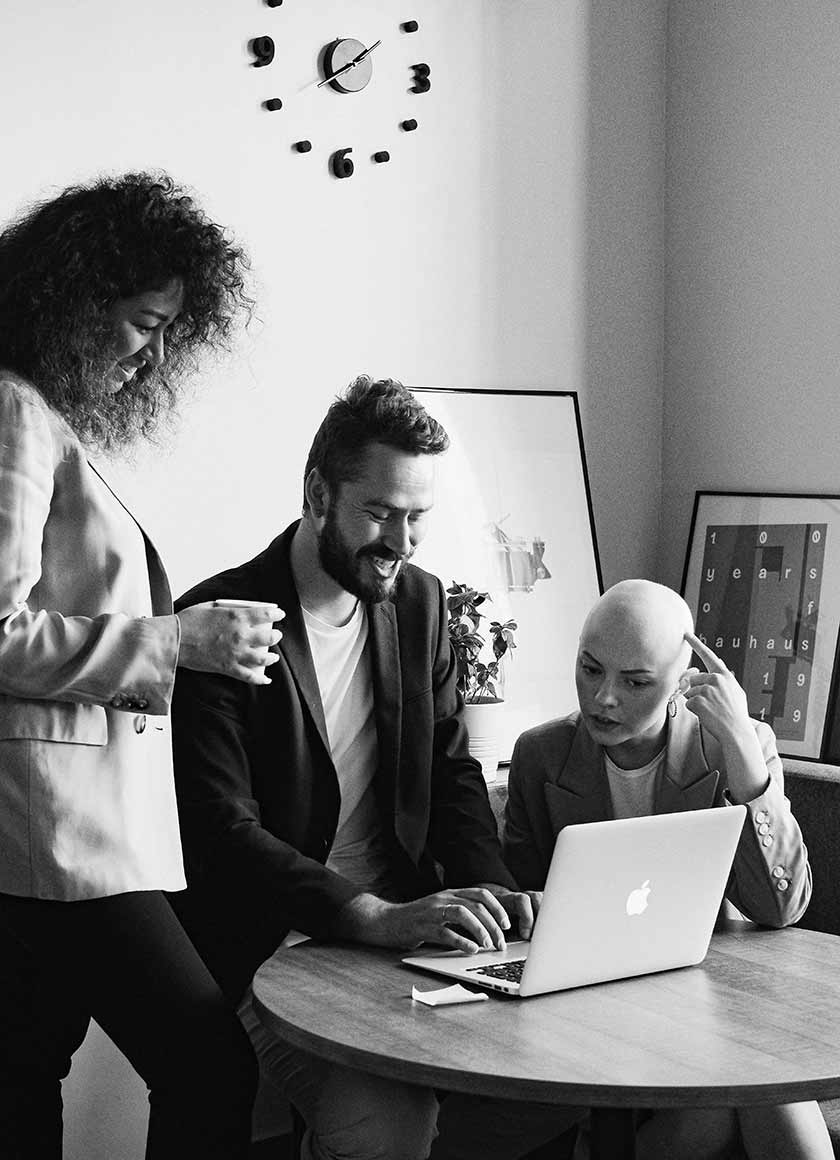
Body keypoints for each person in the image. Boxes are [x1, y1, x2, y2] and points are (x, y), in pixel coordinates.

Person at [170, 376, 583, 1160]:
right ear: (318, 493)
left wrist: (495, 898)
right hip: (272, 946)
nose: (402, 540)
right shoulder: (218, 623)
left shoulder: (422, 605)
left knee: (563, 1078)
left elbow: (453, 778)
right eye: (381, 513)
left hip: (402, 935)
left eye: (418, 517)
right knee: (388, 1127)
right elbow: (223, 832)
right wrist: (373, 918)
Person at [0, 172, 285, 1159]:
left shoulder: (41, 414)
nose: (156, 353)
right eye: (143, 322)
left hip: (50, 839)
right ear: (77, 303)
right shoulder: (14, 414)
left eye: (172, 330)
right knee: (210, 1064)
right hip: (56, 835)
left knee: (22, 1084)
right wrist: (180, 640)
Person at [504, 578, 832, 1160]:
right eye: (589, 669)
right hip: (592, 1007)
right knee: (734, 1103)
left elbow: (781, 907)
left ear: (682, 682)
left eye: (635, 682)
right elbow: (521, 906)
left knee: (741, 1095)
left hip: (714, 1006)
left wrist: (740, 751)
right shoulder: (541, 754)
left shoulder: (738, 745)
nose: (604, 697)